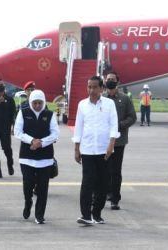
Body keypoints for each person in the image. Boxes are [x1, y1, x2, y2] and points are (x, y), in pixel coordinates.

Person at [72, 76, 119, 225]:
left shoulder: (109, 104)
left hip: (103, 150)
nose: (91, 90)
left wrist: (111, 144)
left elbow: (113, 125)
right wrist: (76, 149)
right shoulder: (82, 105)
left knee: (103, 183)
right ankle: (85, 215)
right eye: (89, 87)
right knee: (87, 182)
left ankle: (96, 213)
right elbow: (78, 127)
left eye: (94, 87)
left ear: (101, 89)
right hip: (87, 149)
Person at [14, 89, 59, 224]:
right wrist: (31, 141)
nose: (38, 106)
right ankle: (28, 202)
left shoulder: (50, 114)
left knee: (42, 188)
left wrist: (41, 143)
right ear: (30, 102)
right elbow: (17, 132)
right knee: (28, 184)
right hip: (27, 157)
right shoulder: (23, 113)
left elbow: (55, 134)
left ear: (44, 102)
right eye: (35, 103)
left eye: (40, 103)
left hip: (45, 158)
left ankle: (40, 215)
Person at [104, 72, 137, 210]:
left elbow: (132, 117)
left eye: (113, 79)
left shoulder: (124, 99)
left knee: (116, 171)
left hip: (119, 141)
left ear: (118, 81)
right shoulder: (101, 98)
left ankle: (115, 198)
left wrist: (120, 125)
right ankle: (104, 193)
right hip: (103, 141)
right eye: (108, 79)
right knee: (103, 170)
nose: (110, 81)